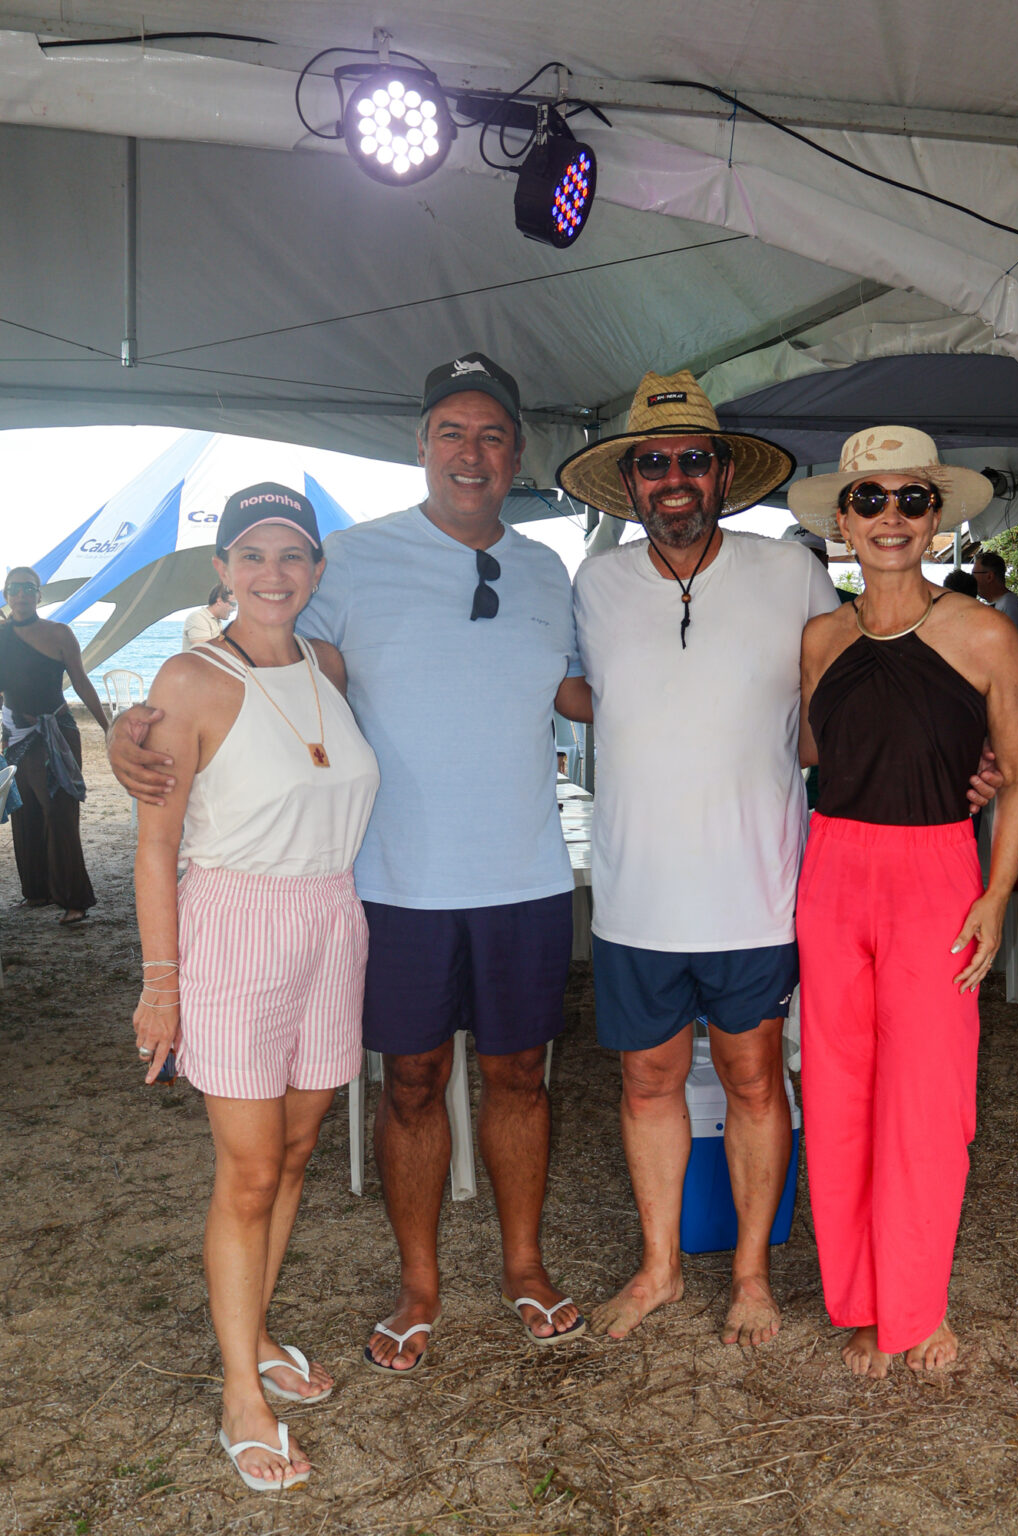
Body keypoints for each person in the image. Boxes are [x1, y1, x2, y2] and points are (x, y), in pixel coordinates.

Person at [113, 353, 590, 1365]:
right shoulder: (353, 559)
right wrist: (137, 723)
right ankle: (418, 1283)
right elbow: (249, 647)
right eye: (450, 433)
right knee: (410, 1082)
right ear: (419, 447)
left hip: (526, 876)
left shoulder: (550, 570)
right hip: (391, 881)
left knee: (521, 1077)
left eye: (491, 435)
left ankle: (523, 1265)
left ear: (517, 453)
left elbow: (583, 690)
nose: (471, 453)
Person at [558, 377, 1001, 1348]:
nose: (673, 477)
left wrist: (958, 767)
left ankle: (752, 1279)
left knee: (758, 1083)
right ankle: (659, 1269)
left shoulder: (790, 576)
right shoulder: (592, 586)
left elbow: (845, 709)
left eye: (692, 459)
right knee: (645, 1083)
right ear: (628, 482)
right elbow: (568, 689)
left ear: (723, 474)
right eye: (651, 462)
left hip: (759, 891)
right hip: (633, 895)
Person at [131, 483, 379, 1491]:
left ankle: (258, 1331)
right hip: (235, 923)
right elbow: (155, 845)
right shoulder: (188, 678)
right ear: (222, 569)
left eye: (291, 556)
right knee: (247, 1172)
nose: (272, 574)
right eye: (252, 555)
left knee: (297, 1150)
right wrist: (160, 985)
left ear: (316, 569)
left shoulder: (328, 666)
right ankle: (242, 1390)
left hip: (331, 918)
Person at [789, 426, 1018, 1377]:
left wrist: (996, 892)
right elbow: (818, 753)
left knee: (927, 1099)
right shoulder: (820, 637)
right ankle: (860, 1300)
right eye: (869, 499)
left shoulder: (984, 632)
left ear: (935, 519)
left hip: (936, 873)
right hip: (832, 870)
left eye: (910, 499)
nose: (889, 517)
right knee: (838, 1092)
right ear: (842, 523)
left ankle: (916, 1303)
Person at [0, 566, 108, 923]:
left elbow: (81, 682)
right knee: (24, 811)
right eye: (15, 588)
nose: (21, 594)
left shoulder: (59, 633)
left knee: (60, 812)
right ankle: (37, 892)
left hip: (56, 732)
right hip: (15, 735)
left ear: (39, 595)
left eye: (28, 588)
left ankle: (74, 899)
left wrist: (108, 727)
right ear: (6, 594)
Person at [971, 550, 1018, 640]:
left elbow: (1011, 643)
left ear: (989, 576)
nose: (971, 579)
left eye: (974, 574)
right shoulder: (1001, 603)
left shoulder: (1009, 604)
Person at [181, 583, 235, 649]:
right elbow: (204, 650)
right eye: (233, 604)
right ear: (219, 601)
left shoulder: (216, 620)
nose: (234, 609)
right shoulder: (198, 618)